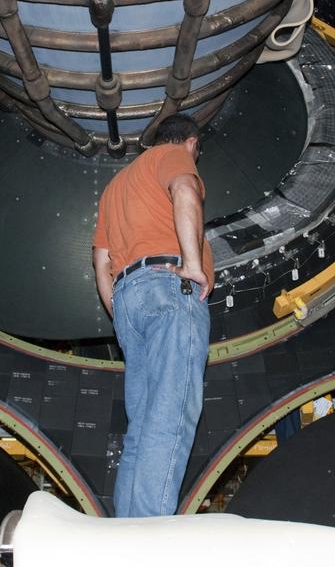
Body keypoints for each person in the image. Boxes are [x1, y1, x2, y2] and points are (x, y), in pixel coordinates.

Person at [92, 114, 214, 517]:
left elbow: (101, 257)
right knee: (172, 417)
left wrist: (118, 306)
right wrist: (194, 265)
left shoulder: (116, 186)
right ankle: (150, 546)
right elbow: (184, 192)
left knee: (141, 430)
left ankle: (126, 538)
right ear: (191, 142)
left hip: (129, 299)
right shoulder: (175, 157)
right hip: (169, 289)